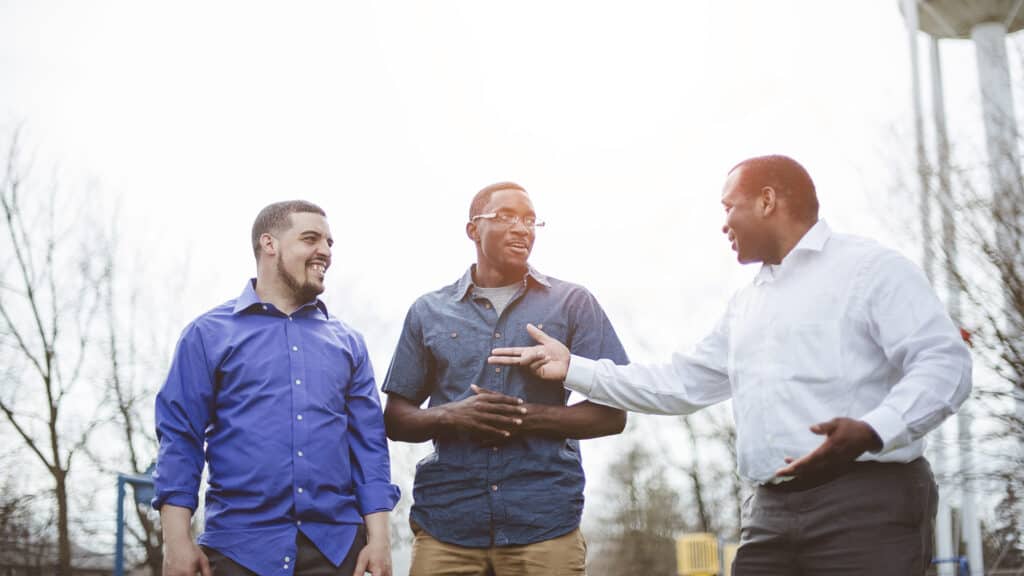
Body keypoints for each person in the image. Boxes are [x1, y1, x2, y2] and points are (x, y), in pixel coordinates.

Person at [489, 155, 973, 576]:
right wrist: (573, 367)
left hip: (865, 502)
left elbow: (944, 362)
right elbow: (678, 383)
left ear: (767, 201)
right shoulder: (747, 304)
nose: (723, 224)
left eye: (728, 207)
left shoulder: (870, 270)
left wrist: (872, 429)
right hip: (768, 512)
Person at [382, 181, 630, 575]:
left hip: (545, 524)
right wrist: (454, 415)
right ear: (472, 230)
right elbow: (396, 418)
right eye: (506, 217)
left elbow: (613, 414)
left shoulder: (573, 303)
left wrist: (524, 416)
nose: (522, 228)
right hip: (447, 525)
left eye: (530, 220)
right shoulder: (428, 311)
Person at [153, 200, 399, 576]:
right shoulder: (207, 335)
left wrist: (379, 540)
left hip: (335, 552)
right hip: (238, 550)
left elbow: (369, 447)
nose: (325, 252)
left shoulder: (350, 343)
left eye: (330, 243)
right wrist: (176, 542)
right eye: (310, 238)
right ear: (269, 244)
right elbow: (180, 438)